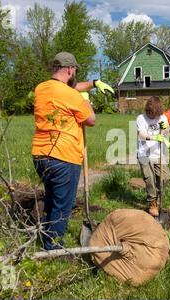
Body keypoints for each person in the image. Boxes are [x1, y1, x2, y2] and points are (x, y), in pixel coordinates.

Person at [32, 52, 112, 250]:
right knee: (62, 206)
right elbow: (91, 120)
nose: (75, 72)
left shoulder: (41, 89)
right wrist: (85, 100)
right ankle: (53, 249)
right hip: (64, 157)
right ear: (69, 69)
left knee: (51, 199)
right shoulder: (72, 95)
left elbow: (68, 88)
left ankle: (45, 237)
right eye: (74, 69)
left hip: (41, 155)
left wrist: (94, 83)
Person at [136, 97, 170, 217]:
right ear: (148, 110)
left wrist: (165, 130)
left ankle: (155, 194)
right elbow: (141, 134)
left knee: (165, 177)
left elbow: (166, 129)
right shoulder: (141, 118)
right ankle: (152, 202)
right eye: (151, 115)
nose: (154, 118)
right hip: (144, 154)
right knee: (149, 179)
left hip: (158, 154)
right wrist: (154, 137)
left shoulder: (161, 117)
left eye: (156, 115)